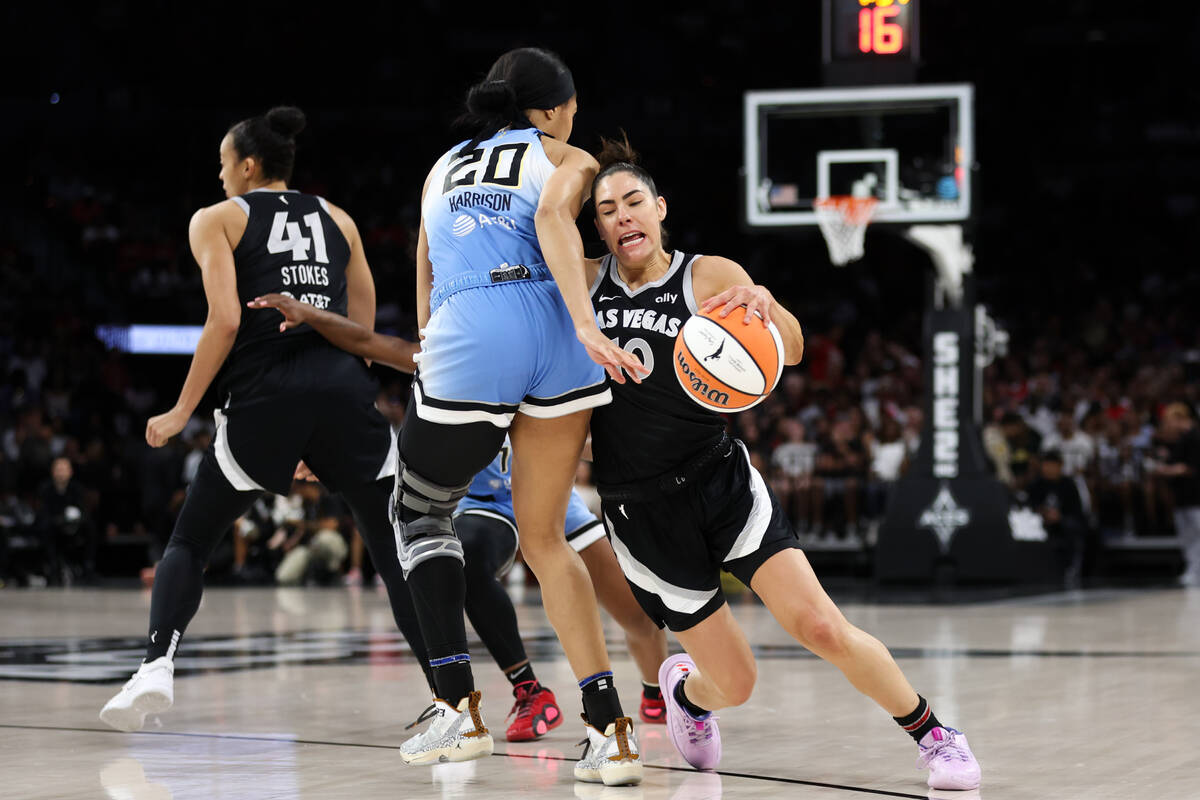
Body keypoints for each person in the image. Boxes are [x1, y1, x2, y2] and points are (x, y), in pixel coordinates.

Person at [257, 49, 647, 783]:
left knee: (420, 512)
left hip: (472, 333)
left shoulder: (441, 169)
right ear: (554, 108)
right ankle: (610, 730)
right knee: (544, 537)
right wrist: (583, 321)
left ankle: (456, 705)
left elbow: (426, 280)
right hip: (561, 340)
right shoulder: (572, 157)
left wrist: (439, 357)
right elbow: (556, 219)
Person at [580, 138, 981, 792]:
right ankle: (690, 697)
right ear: (595, 226)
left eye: (633, 202)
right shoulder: (584, 282)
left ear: (659, 209)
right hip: (642, 510)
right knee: (736, 684)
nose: (622, 216)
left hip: (720, 480)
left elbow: (789, 349)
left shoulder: (706, 274)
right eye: (606, 210)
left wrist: (766, 305)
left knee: (820, 623)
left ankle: (934, 734)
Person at [99, 106, 436, 734]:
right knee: (395, 556)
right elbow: (358, 335)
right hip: (342, 394)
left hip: (262, 397)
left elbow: (225, 320)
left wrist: (180, 410)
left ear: (248, 165)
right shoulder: (340, 219)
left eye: (224, 162)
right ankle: (451, 697)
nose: (219, 173)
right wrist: (324, 427)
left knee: (190, 542)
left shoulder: (217, 218)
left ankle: (154, 666)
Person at [1151, 403, 1200, 585]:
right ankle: (1193, 570)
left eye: (1169, 420)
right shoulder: (1180, 440)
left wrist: (1165, 470)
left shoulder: (1195, 437)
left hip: (1196, 497)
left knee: (1197, 535)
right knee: (1187, 537)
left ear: (1180, 418)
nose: (1167, 425)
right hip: (1183, 497)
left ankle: (1196, 571)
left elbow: (1190, 468)